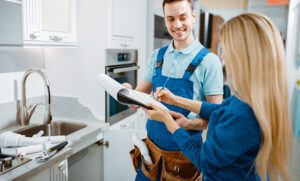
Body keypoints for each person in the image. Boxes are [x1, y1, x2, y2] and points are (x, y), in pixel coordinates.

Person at [143, 12, 292, 180]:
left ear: (243, 56)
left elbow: (204, 160)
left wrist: (167, 120)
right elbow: (220, 109)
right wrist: (176, 100)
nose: (223, 56)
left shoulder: (242, 115)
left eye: (226, 49)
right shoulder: (255, 99)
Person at [126, 0, 224, 180]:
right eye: (170, 19)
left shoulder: (209, 62)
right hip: (150, 155)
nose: (177, 25)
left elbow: (218, 118)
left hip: (184, 157)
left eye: (183, 17)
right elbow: (137, 99)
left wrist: (189, 124)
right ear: (164, 20)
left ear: (193, 16)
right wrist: (126, 93)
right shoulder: (157, 56)